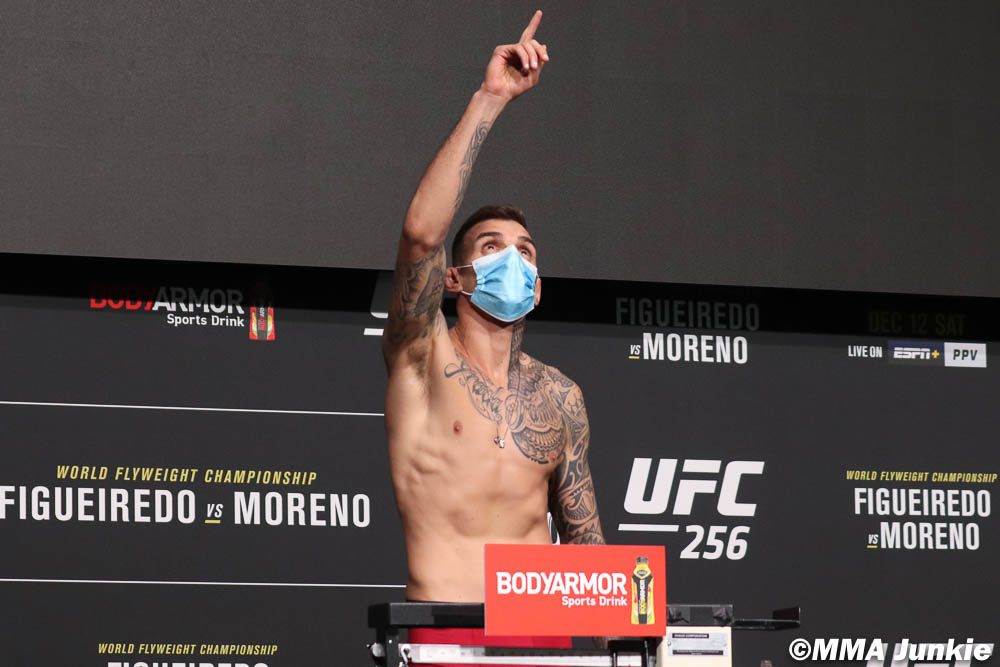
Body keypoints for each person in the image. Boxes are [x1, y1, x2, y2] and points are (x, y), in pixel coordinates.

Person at [381, 9, 605, 660]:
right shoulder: (420, 357)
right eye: (492, 247)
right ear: (454, 278)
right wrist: (491, 98)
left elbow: (585, 543)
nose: (514, 260)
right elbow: (421, 233)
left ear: (537, 286)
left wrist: (629, 638)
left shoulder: (562, 397)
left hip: (542, 637)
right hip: (448, 635)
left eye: (526, 252)